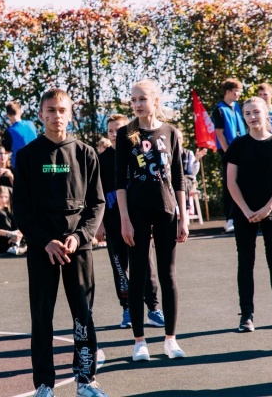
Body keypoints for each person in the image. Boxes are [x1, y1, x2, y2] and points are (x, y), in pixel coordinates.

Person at [14, 89, 107, 397]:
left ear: (70, 114)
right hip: (43, 250)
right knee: (42, 318)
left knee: (83, 315)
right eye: (51, 110)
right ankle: (44, 385)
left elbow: (97, 203)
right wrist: (45, 241)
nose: (57, 115)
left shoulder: (85, 153)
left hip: (77, 248)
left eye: (62, 110)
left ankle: (86, 380)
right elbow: (21, 210)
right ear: (41, 114)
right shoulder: (27, 156)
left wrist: (79, 236)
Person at [115, 79, 189, 362]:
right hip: (136, 212)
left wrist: (183, 217)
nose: (137, 104)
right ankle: (139, 342)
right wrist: (124, 218)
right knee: (138, 275)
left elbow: (178, 177)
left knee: (168, 275)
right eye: (133, 100)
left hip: (167, 210)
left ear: (155, 100)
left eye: (142, 99)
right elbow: (120, 181)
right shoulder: (126, 134)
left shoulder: (170, 132)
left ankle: (170, 339)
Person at [225, 96, 272, 333]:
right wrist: (245, 209)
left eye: (256, 112)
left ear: (266, 113)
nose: (252, 117)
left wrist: (267, 208)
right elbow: (231, 181)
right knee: (246, 263)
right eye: (247, 113)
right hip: (244, 212)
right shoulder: (238, 145)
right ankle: (246, 316)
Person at [96, 114, 165, 329]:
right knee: (120, 268)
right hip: (113, 223)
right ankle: (126, 308)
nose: (114, 134)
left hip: (139, 221)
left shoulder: (139, 153)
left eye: (118, 130)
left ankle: (153, 308)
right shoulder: (101, 160)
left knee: (147, 267)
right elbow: (96, 194)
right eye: (110, 131)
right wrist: (100, 224)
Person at [212, 78, 246, 233]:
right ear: (228, 92)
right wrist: (228, 153)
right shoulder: (219, 109)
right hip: (229, 152)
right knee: (230, 184)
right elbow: (219, 134)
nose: (238, 94)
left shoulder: (237, 107)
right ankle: (230, 218)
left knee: (243, 183)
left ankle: (243, 214)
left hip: (242, 150)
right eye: (236, 92)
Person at [176, 129, 207, 210]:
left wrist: (196, 160)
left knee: (183, 180)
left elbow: (192, 172)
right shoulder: (169, 153)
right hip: (173, 179)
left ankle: (184, 205)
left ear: (182, 140)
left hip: (186, 179)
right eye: (175, 138)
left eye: (179, 138)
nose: (177, 140)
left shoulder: (188, 153)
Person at [2, 101, 38, 168]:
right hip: (36, 163)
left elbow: (7, 150)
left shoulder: (10, 131)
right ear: (20, 112)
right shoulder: (31, 124)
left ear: (7, 115)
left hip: (20, 166)